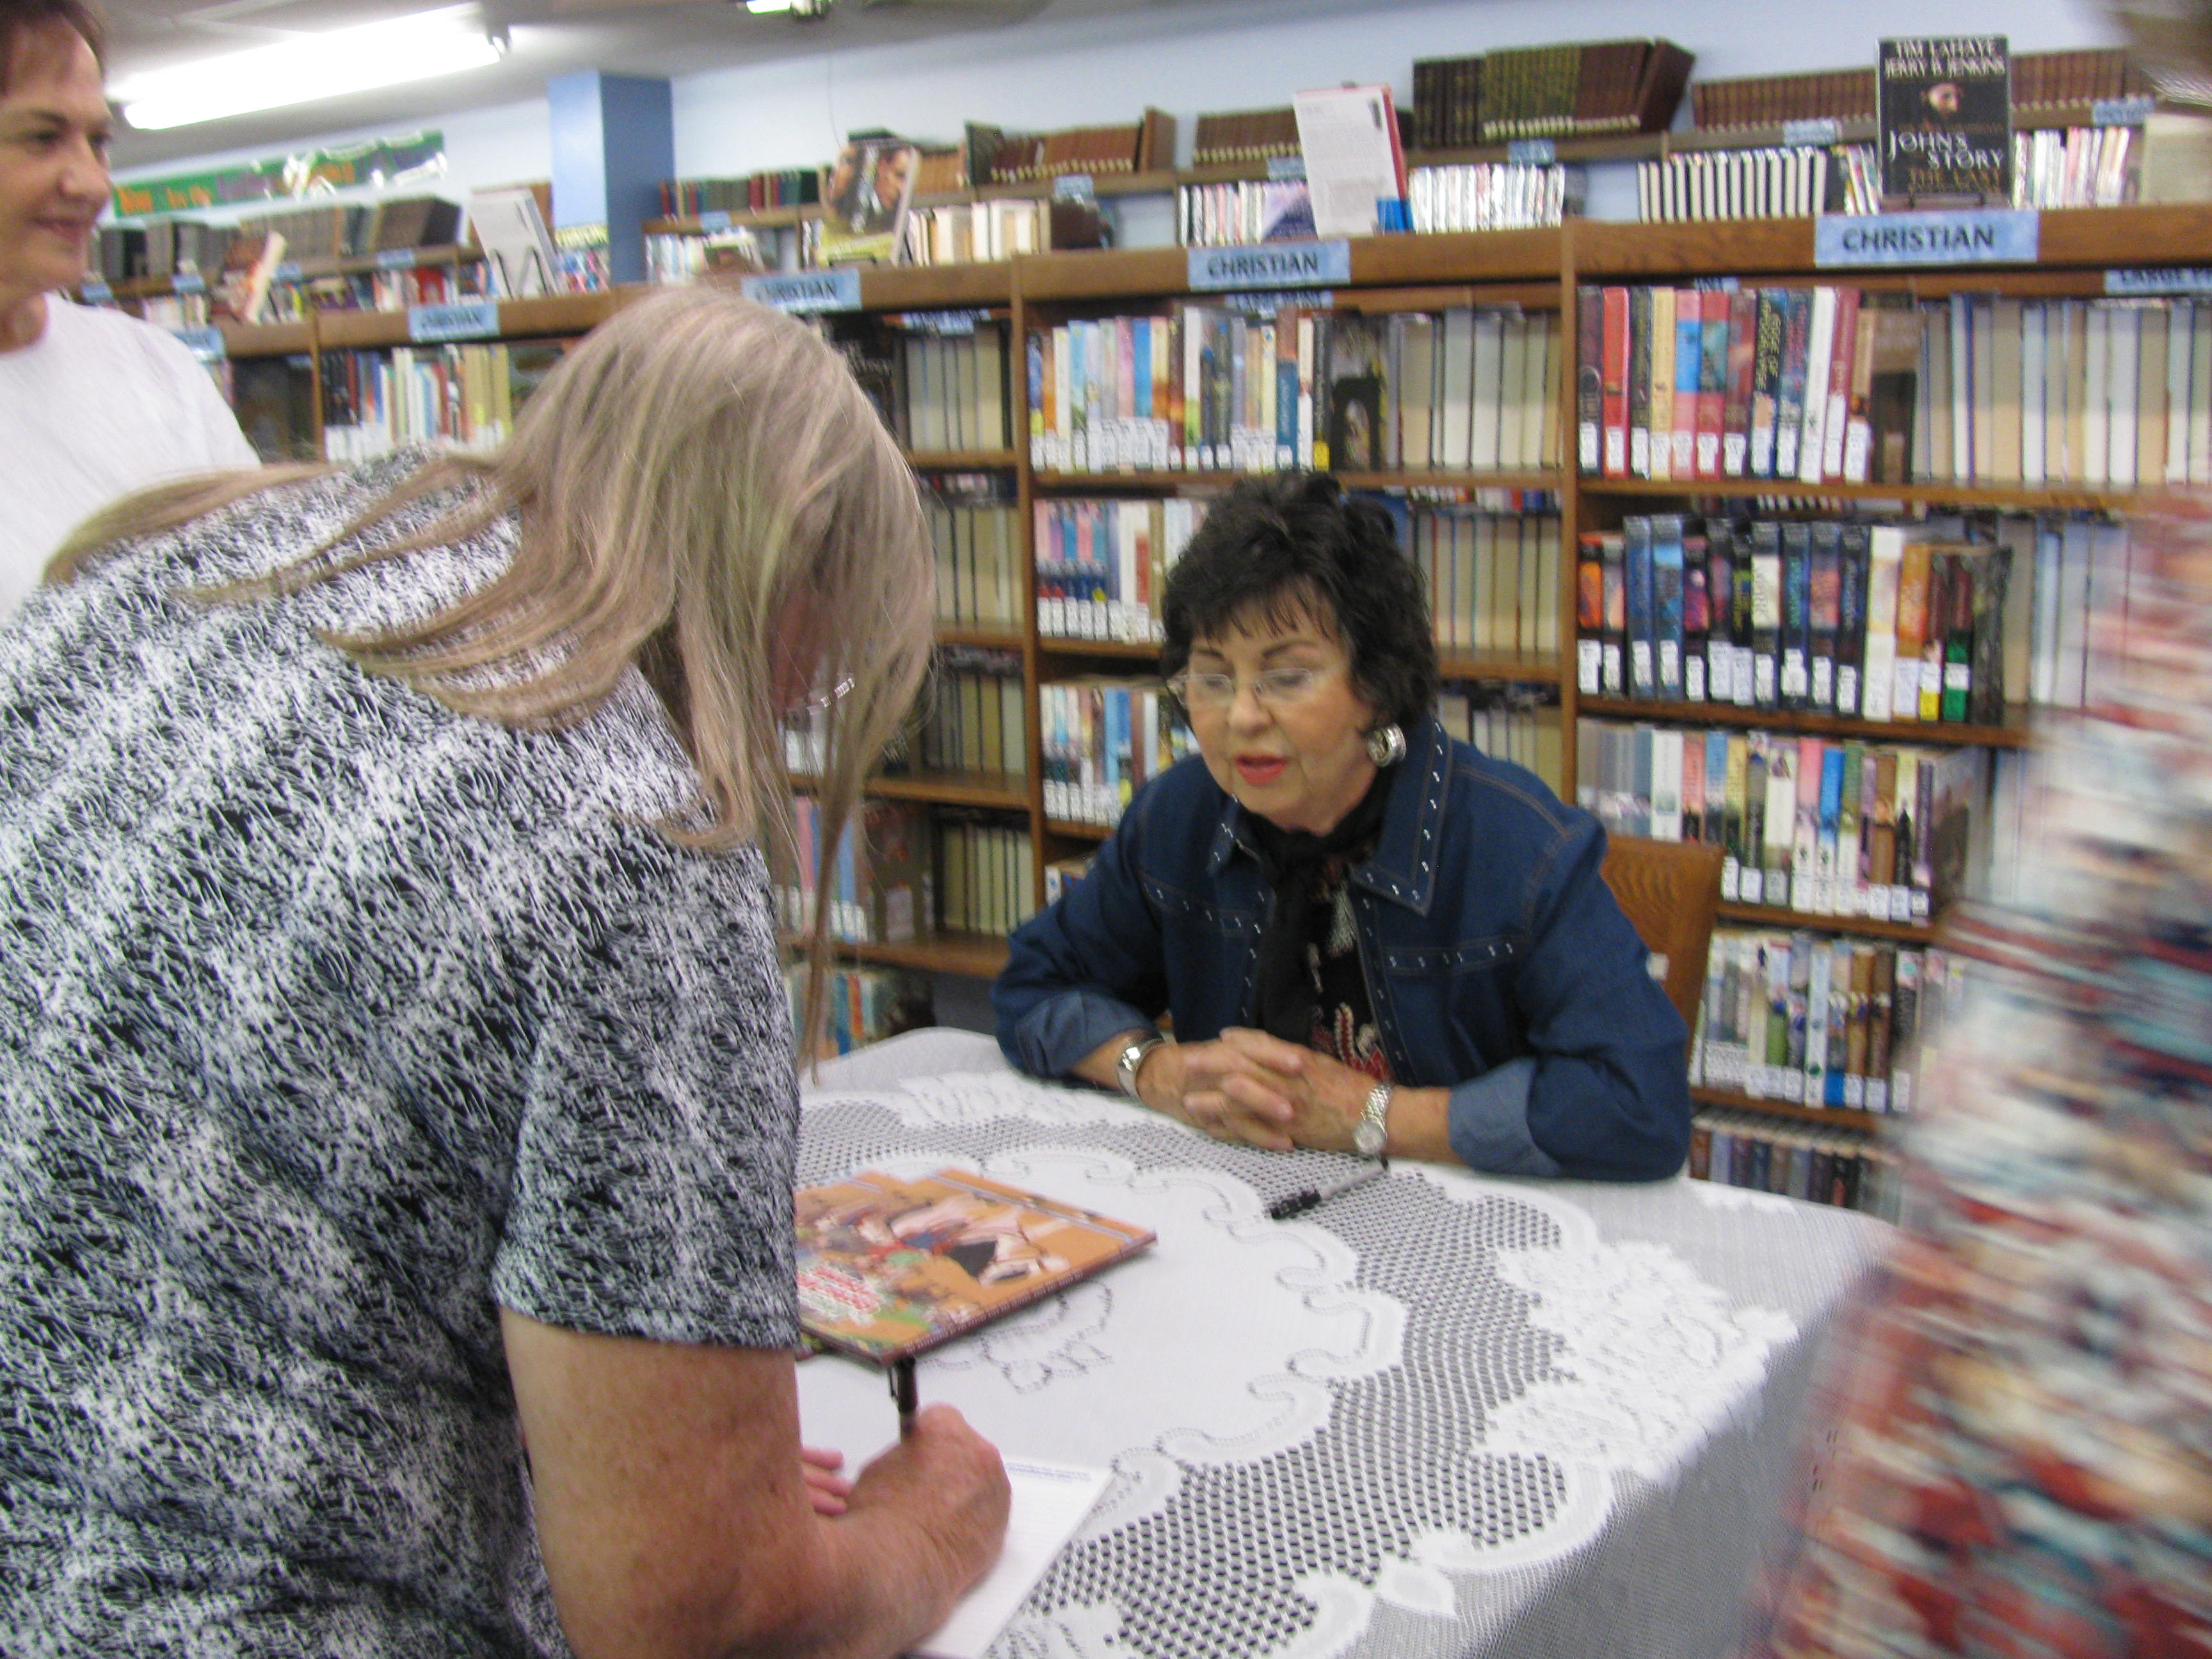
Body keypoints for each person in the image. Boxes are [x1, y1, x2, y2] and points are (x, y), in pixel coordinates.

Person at [0, 285, 1007, 1655]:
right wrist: (929, 1529)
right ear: (790, 582)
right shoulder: (636, 834)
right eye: (818, 676)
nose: (786, 713)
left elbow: (278, 1156)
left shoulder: (184, 561)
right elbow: (702, 1620)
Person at [994, 472, 1690, 1181]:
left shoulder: (1520, 846)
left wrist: (1374, 1116)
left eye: (1286, 677)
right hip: (1248, 1202)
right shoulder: (1179, 816)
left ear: (1377, 685)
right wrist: (1154, 1070)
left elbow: (1640, 1103)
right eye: (1212, 679)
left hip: (1456, 1215)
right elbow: (1033, 985)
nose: (1242, 716)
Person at [0, 0, 257, 619]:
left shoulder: (158, 370)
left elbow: (260, 597)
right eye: (42, 138)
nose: (93, 183)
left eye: (98, 142)